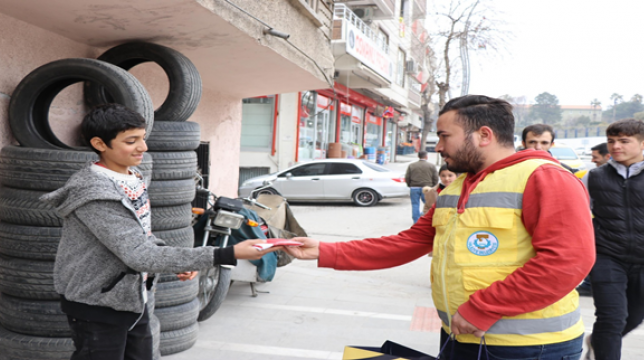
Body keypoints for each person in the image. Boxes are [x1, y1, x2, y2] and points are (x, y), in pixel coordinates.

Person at [284, 95, 594, 359]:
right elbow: (409, 242)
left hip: (528, 348)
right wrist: (326, 250)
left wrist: (483, 308)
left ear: (483, 135)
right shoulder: (458, 185)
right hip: (460, 336)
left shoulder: (545, 177)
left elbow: (567, 261)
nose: (437, 147)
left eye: (445, 136)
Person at [40, 104, 276, 360]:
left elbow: (140, 234)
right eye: (131, 141)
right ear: (100, 144)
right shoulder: (96, 194)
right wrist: (224, 254)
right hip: (98, 304)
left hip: (133, 297)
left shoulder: (134, 177)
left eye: (143, 138)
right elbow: (138, 254)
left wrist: (169, 257)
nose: (143, 147)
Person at [583, 119, 644, 360]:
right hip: (607, 257)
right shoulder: (593, 177)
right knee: (611, 318)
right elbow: (578, 217)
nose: (615, 146)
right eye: (611, 141)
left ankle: (597, 341)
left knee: (634, 318)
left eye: (624, 141)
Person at [575, 142, 610, 297]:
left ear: (607, 156)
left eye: (595, 157)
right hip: (599, 227)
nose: (593, 160)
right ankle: (589, 284)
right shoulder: (592, 176)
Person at [405, 150, 438, 223]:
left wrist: (409, 185)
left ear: (418, 156)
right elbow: (435, 177)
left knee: (415, 204)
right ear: (426, 156)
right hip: (427, 188)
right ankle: (428, 219)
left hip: (414, 187)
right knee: (429, 204)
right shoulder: (431, 165)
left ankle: (416, 221)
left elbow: (407, 177)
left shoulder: (412, 165)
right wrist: (433, 186)